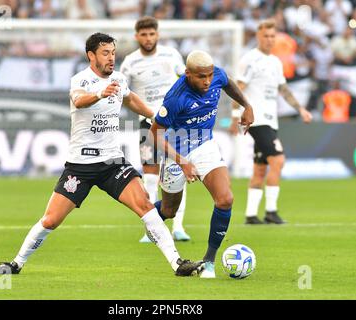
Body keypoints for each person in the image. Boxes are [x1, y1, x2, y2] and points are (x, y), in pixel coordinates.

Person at [0, 33, 202, 277]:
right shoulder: (81, 80)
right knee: (51, 220)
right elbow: (79, 101)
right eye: (105, 53)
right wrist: (100, 93)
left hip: (112, 162)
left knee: (145, 205)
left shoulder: (119, 79)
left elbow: (131, 99)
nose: (111, 58)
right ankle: (16, 264)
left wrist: (156, 116)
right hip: (81, 165)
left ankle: (177, 263)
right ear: (91, 56)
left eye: (113, 52)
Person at [150, 50, 254, 278]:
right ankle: (150, 218)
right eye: (201, 77)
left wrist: (246, 105)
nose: (207, 81)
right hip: (175, 152)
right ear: (188, 73)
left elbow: (228, 84)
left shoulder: (216, 74)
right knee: (169, 210)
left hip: (204, 144)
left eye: (209, 75)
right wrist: (183, 162)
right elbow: (154, 134)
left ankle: (209, 261)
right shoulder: (176, 97)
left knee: (225, 199)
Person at [229, 20, 313, 225]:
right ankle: (271, 211)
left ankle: (250, 215)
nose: (269, 39)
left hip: (270, 120)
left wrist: (300, 109)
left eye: (272, 36)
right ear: (258, 37)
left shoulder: (275, 62)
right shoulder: (250, 60)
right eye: (266, 36)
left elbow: (283, 89)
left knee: (260, 168)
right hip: (256, 121)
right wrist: (234, 117)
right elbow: (237, 89)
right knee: (278, 160)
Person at [120, 16, 191, 243]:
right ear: (137, 36)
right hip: (147, 123)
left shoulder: (171, 55)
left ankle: (178, 227)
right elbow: (122, 91)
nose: (148, 38)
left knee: (178, 171)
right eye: (144, 34)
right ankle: (150, 229)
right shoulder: (130, 62)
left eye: (152, 34)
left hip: (175, 122)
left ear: (157, 35)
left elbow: (186, 78)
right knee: (150, 175)